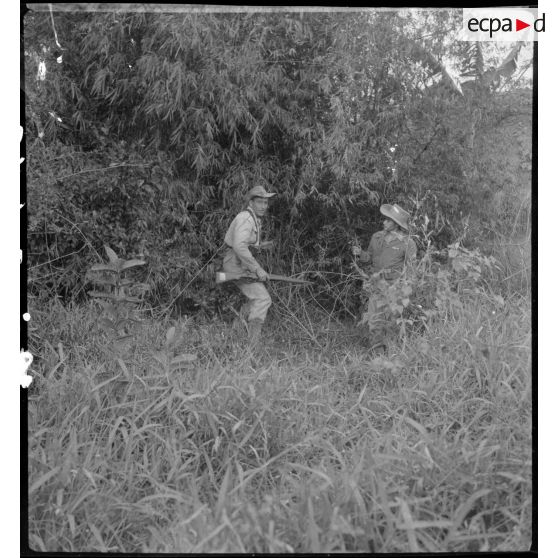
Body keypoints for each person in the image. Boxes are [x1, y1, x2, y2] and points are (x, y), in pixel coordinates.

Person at [351, 203, 417, 345]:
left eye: (388, 220)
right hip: (376, 285)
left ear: (397, 224)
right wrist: (360, 253)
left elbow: (412, 270)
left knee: (390, 321)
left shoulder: (407, 243)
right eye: (385, 219)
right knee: (374, 319)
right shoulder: (376, 237)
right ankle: (376, 351)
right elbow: (368, 258)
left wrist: (404, 289)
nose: (384, 222)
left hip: (394, 288)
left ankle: (390, 351)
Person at [223, 185, 276, 346]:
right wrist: (257, 268)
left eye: (265, 203)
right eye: (259, 202)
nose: (263, 206)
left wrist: (261, 245)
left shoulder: (252, 217)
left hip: (239, 263)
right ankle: (252, 345)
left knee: (255, 299)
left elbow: (244, 243)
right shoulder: (246, 218)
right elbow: (239, 246)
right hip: (237, 264)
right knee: (263, 299)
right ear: (251, 202)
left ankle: (234, 335)